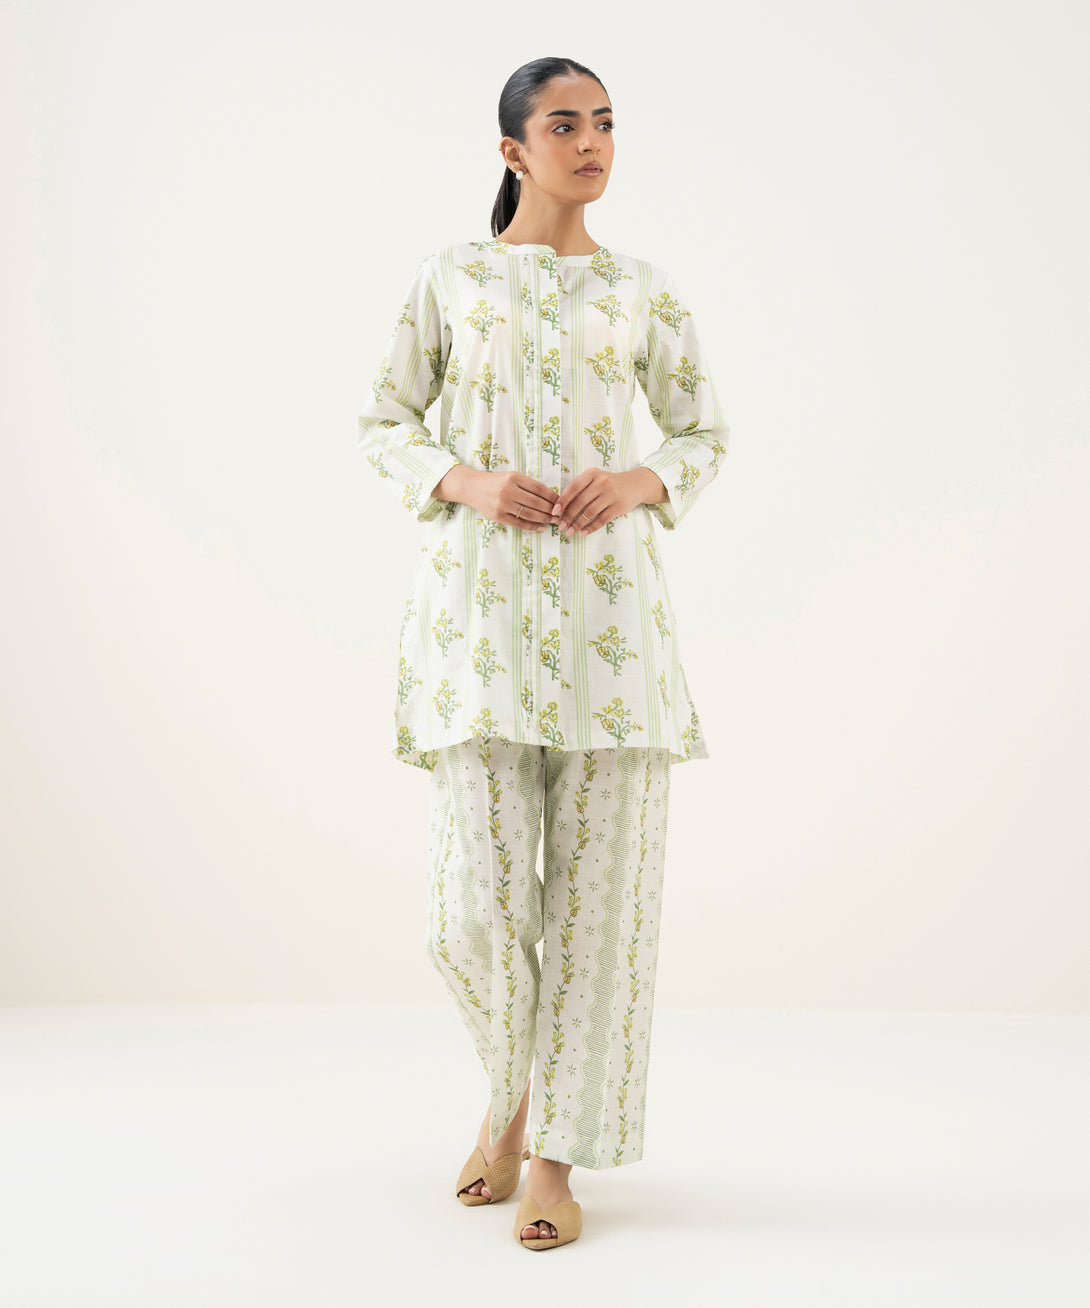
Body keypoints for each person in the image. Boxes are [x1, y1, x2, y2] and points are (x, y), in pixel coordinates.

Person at [356, 55, 729, 1251]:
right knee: (468, 911)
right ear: (513, 150)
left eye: (604, 123)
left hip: (616, 643)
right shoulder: (451, 279)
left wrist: (640, 479)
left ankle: (552, 1158)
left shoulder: (641, 290)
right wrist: (464, 479)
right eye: (564, 125)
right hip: (477, 627)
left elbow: (702, 432)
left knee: (598, 917)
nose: (591, 142)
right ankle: (510, 1098)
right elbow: (383, 419)